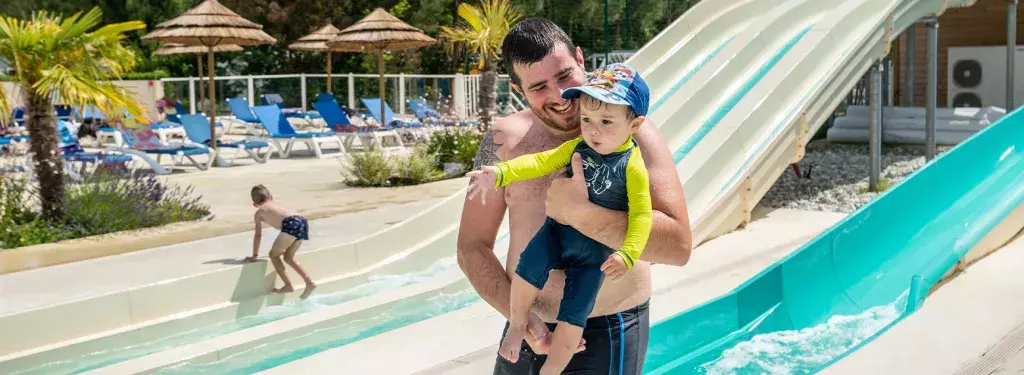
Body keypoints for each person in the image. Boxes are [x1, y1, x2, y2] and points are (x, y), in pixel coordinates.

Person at [456, 17, 693, 375]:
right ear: (518, 89)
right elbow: (471, 246)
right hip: (523, 325)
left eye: (565, 76)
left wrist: (582, 216)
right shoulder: (504, 140)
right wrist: (520, 316)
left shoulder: (633, 136)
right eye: (538, 86)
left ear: (581, 59)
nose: (559, 96)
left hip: (605, 330)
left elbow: (678, 247)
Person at [468, 62, 654, 375]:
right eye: (587, 119)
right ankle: (517, 326)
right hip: (558, 231)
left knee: (574, 316)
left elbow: (642, 214)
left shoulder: (632, 166)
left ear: (634, 125)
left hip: (594, 251)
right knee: (527, 269)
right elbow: (540, 162)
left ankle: (552, 367)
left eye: (606, 121)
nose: (593, 129)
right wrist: (500, 173)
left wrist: (627, 254)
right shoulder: (578, 146)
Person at [244, 184, 318, 299]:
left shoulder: (259, 213)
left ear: (254, 205)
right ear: (271, 197)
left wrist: (254, 255)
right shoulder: (278, 206)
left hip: (290, 224)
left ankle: (288, 285)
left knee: (273, 255)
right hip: (302, 221)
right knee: (288, 257)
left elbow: (258, 235)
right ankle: (309, 282)